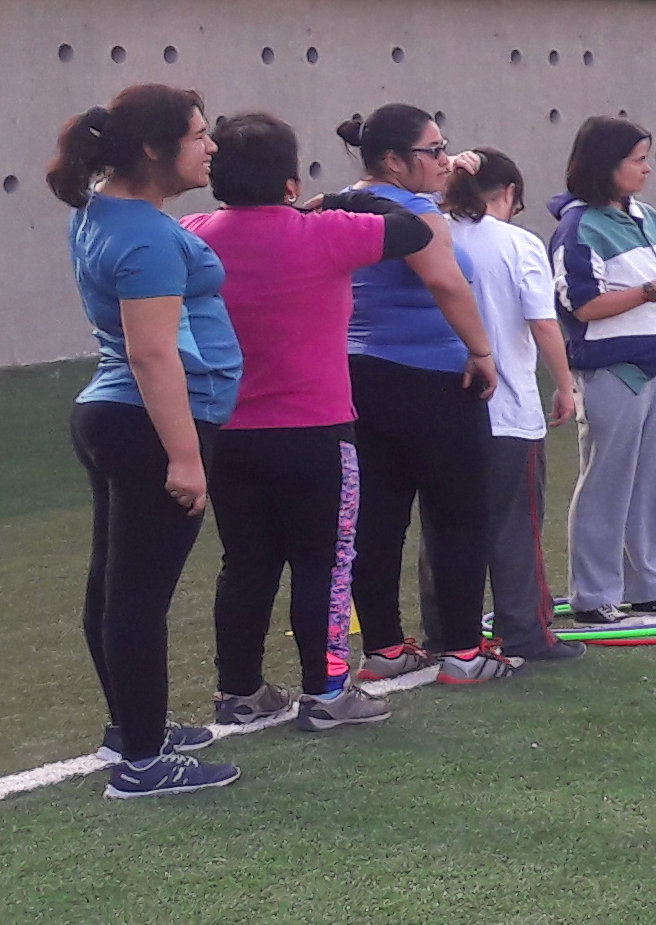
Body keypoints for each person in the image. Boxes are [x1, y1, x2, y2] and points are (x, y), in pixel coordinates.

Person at [189, 112, 490, 736]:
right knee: (324, 563)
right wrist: (346, 198)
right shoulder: (325, 231)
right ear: (291, 182)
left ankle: (238, 689)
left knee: (245, 563)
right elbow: (411, 229)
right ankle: (326, 691)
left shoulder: (194, 233)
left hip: (227, 432)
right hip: (314, 428)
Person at [52, 85, 243, 799]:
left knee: (114, 586)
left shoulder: (104, 211)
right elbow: (152, 353)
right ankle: (141, 762)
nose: (211, 147)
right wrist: (186, 457)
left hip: (116, 417)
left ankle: (130, 729)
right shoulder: (146, 237)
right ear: (154, 151)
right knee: (136, 597)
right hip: (149, 424)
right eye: (198, 136)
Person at [326, 105, 511, 687]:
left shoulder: (343, 203)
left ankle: (383, 649)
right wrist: (482, 352)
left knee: (378, 521)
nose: (444, 160)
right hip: (431, 379)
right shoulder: (415, 214)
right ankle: (463, 652)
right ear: (393, 160)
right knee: (459, 517)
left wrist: (447, 165)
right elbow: (444, 280)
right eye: (433, 151)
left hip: (361, 377)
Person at [554, 116, 656, 622]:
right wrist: (654, 289)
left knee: (653, 481)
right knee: (606, 481)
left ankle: (648, 584)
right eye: (637, 160)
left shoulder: (649, 217)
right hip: (613, 370)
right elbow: (583, 307)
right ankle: (594, 595)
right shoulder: (578, 228)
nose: (647, 169)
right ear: (606, 164)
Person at [444, 151, 582, 666]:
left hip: (443, 404)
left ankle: (447, 632)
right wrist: (565, 384)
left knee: (445, 525)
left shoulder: (431, 233)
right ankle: (525, 631)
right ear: (507, 194)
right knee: (515, 525)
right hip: (507, 406)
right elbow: (542, 322)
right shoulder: (517, 243)